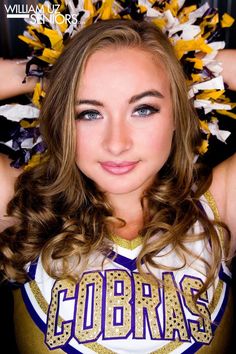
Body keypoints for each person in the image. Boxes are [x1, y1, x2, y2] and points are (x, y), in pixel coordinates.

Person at [0, 18, 236, 354]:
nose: (117, 143)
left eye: (143, 109)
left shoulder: (218, 206)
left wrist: (196, 61)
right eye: (89, 113)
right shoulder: (24, 204)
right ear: (61, 118)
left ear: (179, 114)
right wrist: (44, 70)